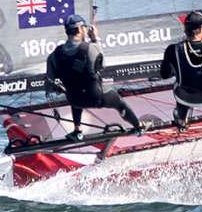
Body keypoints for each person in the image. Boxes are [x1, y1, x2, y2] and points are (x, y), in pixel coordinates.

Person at [45, 13, 143, 141]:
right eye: (85, 28)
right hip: (97, 97)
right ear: (80, 29)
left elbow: (50, 85)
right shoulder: (90, 48)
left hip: (75, 100)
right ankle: (138, 126)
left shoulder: (54, 55)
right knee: (120, 103)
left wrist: (61, 89)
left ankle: (77, 131)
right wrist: (95, 39)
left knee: (74, 90)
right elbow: (102, 66)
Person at [160, 11, 202, 130]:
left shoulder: (172, 49)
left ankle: (181, 119)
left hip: (185, 97)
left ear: (185, 29)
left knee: (180, 83)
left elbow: (164, 75)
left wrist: (178, 71)